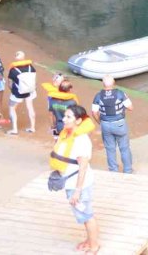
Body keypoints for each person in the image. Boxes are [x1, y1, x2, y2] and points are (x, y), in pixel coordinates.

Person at [51, 105, 100, 254]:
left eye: (69, 117)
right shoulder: (67, 135)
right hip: (71, 182)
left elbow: (83, 167)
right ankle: (90, 240)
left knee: (87, 215)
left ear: (78, 121)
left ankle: (94, 246)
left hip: (79, 185)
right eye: (64, 116)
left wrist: (77, 191)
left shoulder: (81, 140)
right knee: (84, 214)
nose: (64, 119)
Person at [91, 75, 134, 173]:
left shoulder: (98, 96)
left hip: (105, 124)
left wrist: (100, 122)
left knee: (110, 149)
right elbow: (131, 107)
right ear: (114, 82)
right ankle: (128, 170)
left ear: (103, 84)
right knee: (124, 148)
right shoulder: (120, 94)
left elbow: (94, 112)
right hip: (119, 124)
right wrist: (122, 110)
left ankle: (113, 170)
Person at [6, 51, 37, 135]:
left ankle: (14, 129)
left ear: (16, 58)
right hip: (30, 90)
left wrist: (12, 90)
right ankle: (32, 127)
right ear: (24, 58)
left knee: (12, 108)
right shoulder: (31, 67)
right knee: (30, 107)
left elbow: (9, 83)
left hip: (18, 92)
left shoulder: (13, 70)